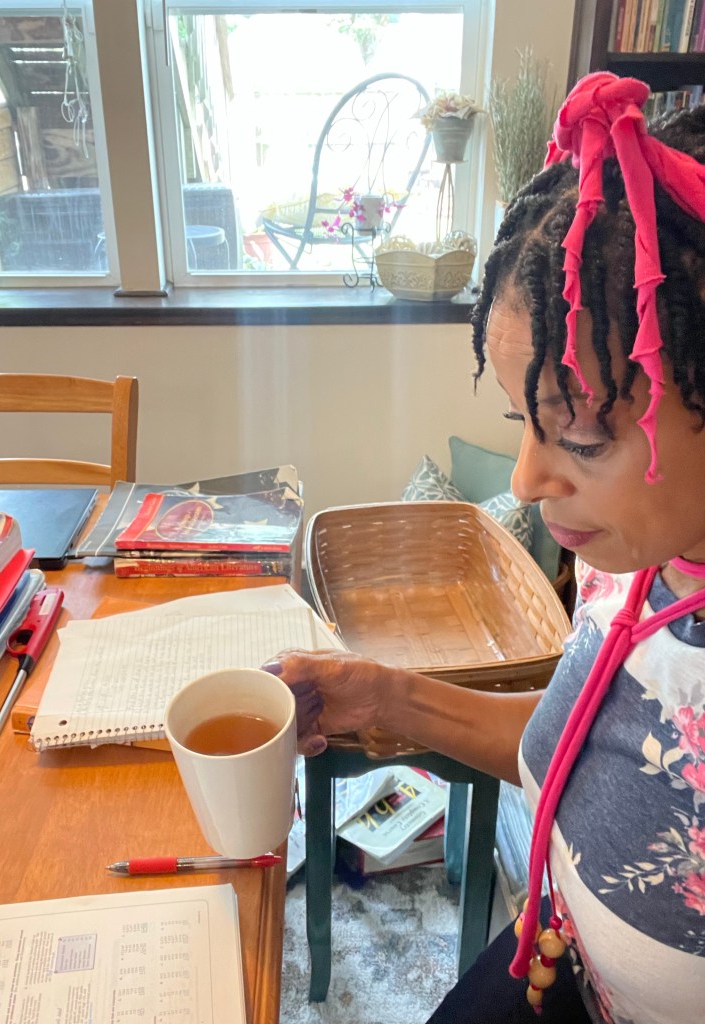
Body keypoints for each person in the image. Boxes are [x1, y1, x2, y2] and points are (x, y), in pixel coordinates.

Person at [262, 72, 705, 1024]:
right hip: (557, 957)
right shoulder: (635, 562)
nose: (529, 478)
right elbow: (573, 743)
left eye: (580, 437)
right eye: (522, 421)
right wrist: (387, 697)